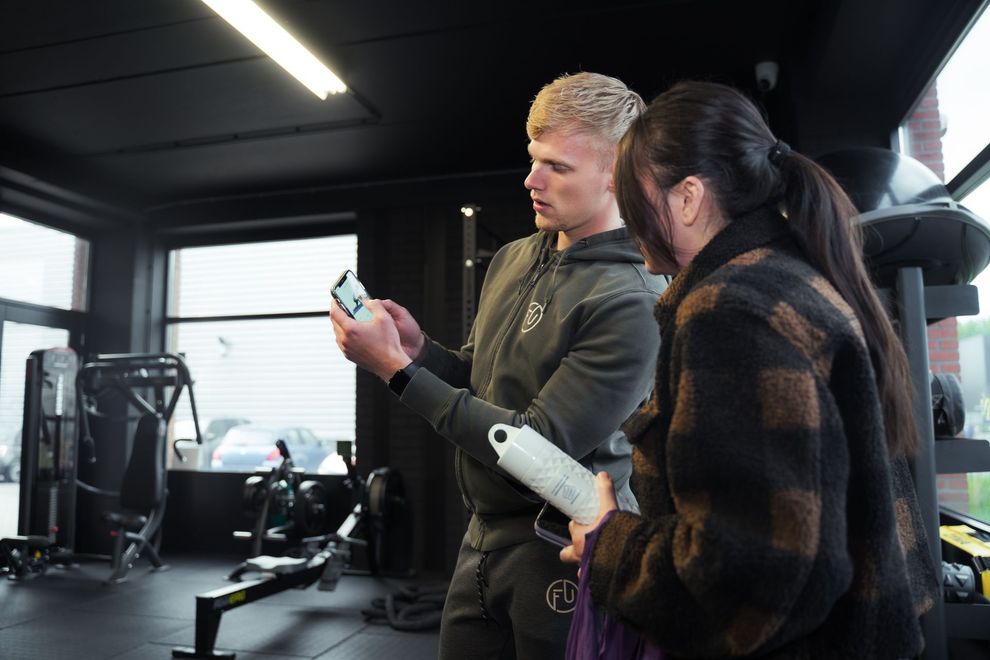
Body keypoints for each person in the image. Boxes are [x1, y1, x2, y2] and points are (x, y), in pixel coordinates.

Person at [560, 81, 938, 659]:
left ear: (688, 197)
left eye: (633, 198)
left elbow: (745, 574)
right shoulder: (792, 277)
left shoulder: (733, 310)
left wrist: (608, 542)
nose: (628, 221)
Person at [330, 72, 667, 659]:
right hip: (481, 539)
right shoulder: (514, 257)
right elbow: (481, 380)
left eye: (557, 166)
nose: (531, 179)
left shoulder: (631, 299)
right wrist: (420, 352)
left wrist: (396, 372)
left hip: (562, 550)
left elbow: (532, 447)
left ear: (615, 175)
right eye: (533, 158)